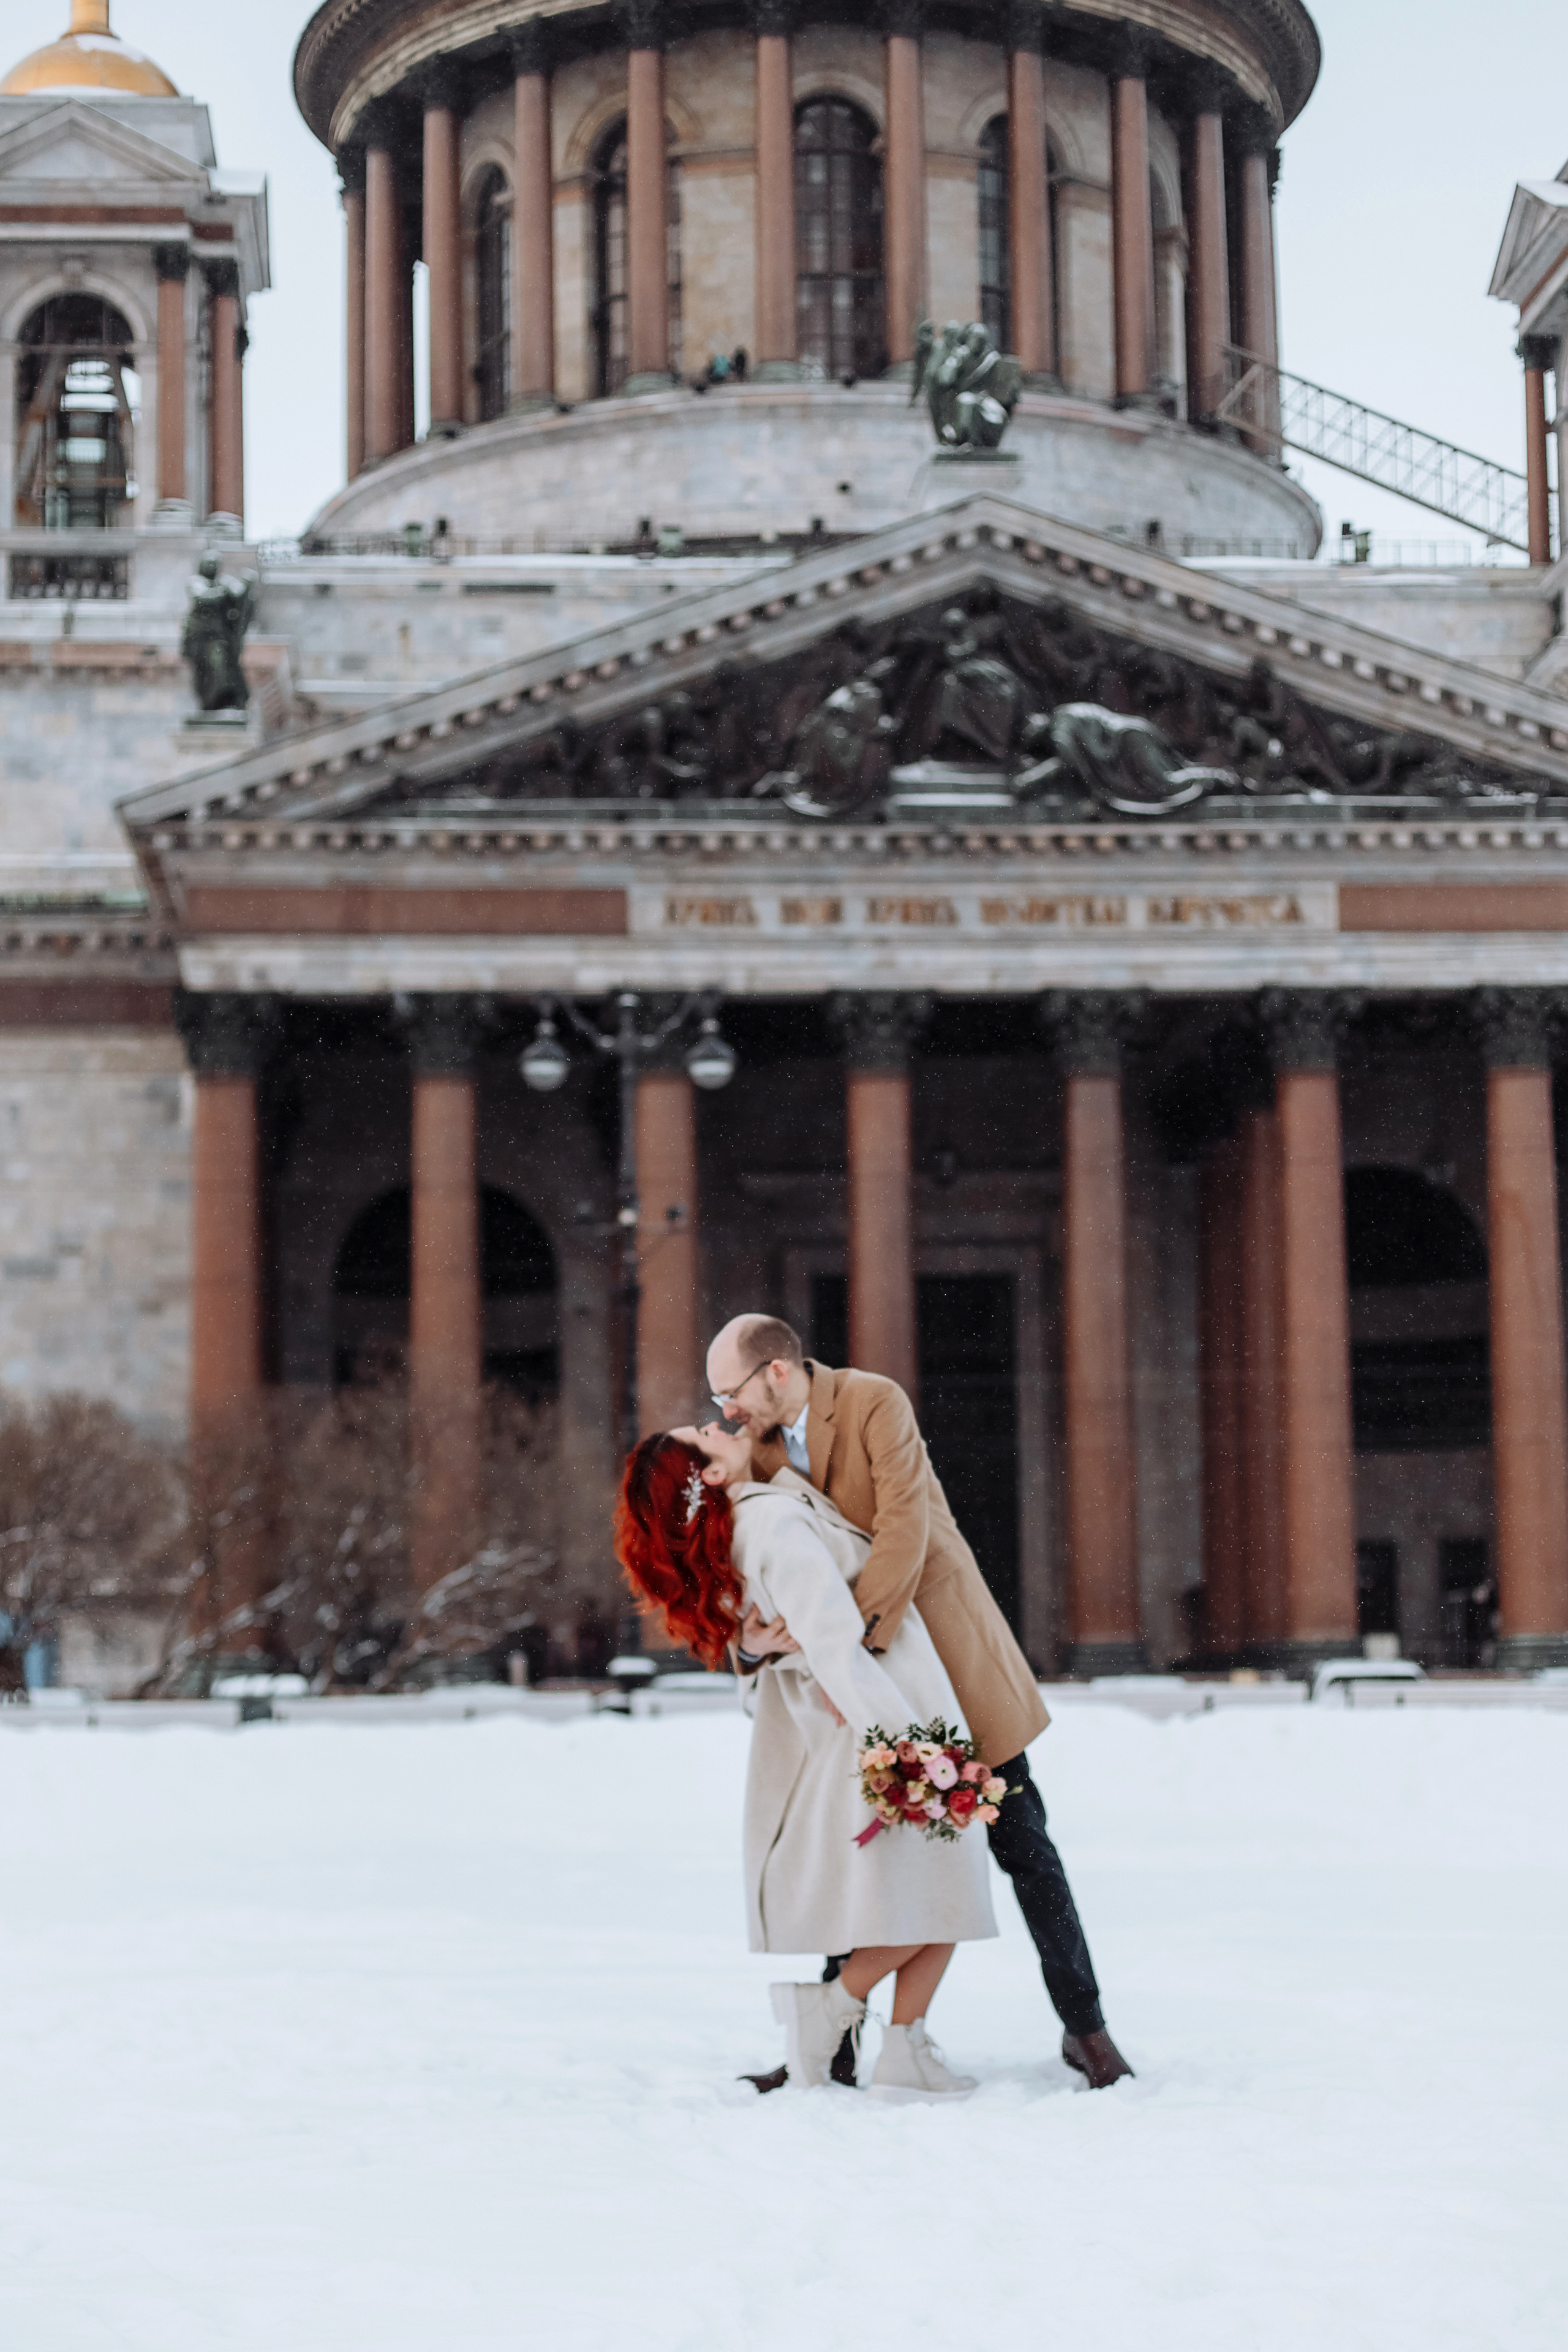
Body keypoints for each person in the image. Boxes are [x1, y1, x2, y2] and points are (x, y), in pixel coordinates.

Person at [707, 1313, 1134, 2091]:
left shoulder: (872, 1402)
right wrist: (755, 1646)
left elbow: (905, 1529)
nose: (723, 1412)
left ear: (774, 1370)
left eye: (727, 1392)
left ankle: (1086, 2028)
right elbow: (759, 1582)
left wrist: (848, 1652)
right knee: (862, 1858)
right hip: (861, 1688)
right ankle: (835, 2051)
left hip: (947, 1658)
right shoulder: (754, 1458)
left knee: (1025, 1849)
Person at [615, 1419, 995, 2100]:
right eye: (705, 1433)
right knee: (940, 1885)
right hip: (888, 1713)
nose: (719, 1423)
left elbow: (791, 1647)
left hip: (886, 1710)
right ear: (712, 1475)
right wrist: (907, 1748)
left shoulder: (748, 1527)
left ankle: (905, 2044)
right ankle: (834, 2008)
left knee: (938, 1887)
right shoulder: (771, 1527)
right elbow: (834, 1645)